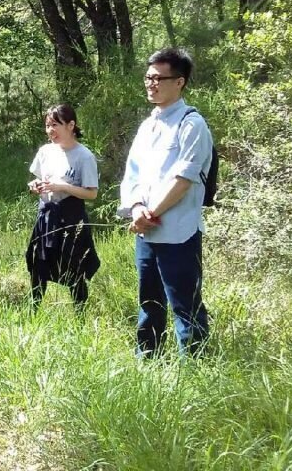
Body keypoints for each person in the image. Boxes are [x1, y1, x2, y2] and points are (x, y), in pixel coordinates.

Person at [118, 47, 213, 357]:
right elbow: (132, 174)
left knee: (184, 303)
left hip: (179, 232)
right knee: (149, 301)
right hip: (147, 232)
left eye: (159, 78)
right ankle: (148, 359)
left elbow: (183, 180)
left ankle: (196, 369)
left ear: (180, 82)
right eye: (148, 77)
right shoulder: (148, 126)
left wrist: (151, 213)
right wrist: (136, 208)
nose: (151, 84)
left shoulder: (192, 124)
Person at [26, 104, 100, 309]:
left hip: (71, 218)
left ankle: (80, 314)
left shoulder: (84, 156)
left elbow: (92, 193)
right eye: (48, 125)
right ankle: (34, 310)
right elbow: (37, 180)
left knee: (73, 267)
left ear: (71, 125)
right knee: (38, 264)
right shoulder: (45, 151)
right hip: (46, 216)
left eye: (55, 125)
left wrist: (63, 187)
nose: (51, 130)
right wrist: (34, 186)